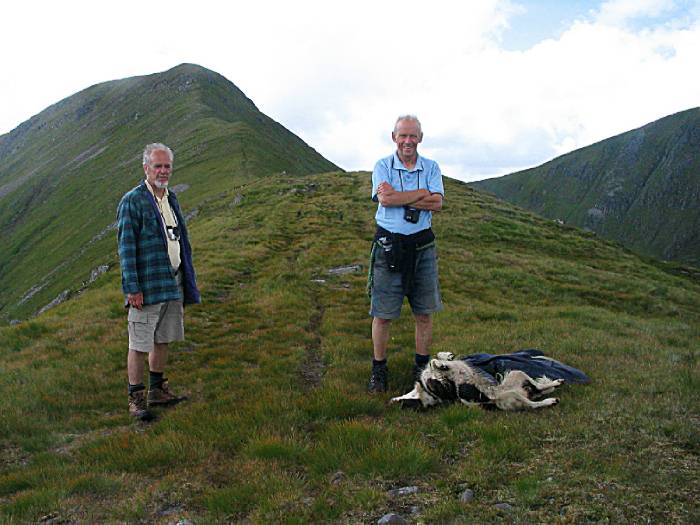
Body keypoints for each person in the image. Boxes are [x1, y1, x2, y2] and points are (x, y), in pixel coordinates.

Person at [117, 143, 200, 420]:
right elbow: (126, 248)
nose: (163, 171)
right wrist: (132, 288)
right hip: (147, 285)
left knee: (163, 338)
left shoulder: (171, 198)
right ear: (146, 168)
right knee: (139, 343)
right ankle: (136, 397)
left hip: (172, 281)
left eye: (167, 166)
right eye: (157, 166)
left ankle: (157, 390)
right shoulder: (133, 200)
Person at [367, 115, 444, 392]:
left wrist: (401, 194)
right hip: (389, 246)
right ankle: (379, 370)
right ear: (394, 137)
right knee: (383, 314)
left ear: (420, 138)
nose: (408, 141)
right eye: (403, 136)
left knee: (424, 313)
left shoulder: (432, 167)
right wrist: (422, 192)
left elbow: (437, 204)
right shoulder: (381, 166)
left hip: (423, 247)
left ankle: (421, 369)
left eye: (413, 136)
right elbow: (384, 199)